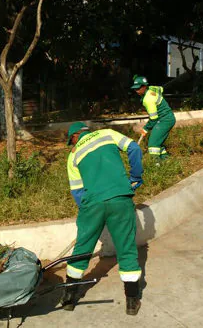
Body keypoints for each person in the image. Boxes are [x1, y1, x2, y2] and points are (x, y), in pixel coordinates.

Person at [62, 122, 144, 315]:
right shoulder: (106, 134)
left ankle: (69, 298)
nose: (71, 144)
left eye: (71, 141)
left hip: (93, 204)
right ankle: (132, 301)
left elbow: (78, 193)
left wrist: (89, 216)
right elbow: (134, 148)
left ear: (75, 137)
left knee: (82, 248)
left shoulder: (73, 155)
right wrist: (135, 177)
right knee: (126, 247)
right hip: (120, 198)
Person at [131, 76, 176, 159]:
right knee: (158, 141)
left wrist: (145, 128)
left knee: (153, 144)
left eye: (138, 88)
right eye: (135, 89)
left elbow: (153, 119)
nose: (136, 91)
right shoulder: (152, 88)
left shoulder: (148, 100)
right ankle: (166, 160)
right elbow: (161, 89)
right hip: (167, 118)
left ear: (144, 87)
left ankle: (155, 164)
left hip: (165, 120)